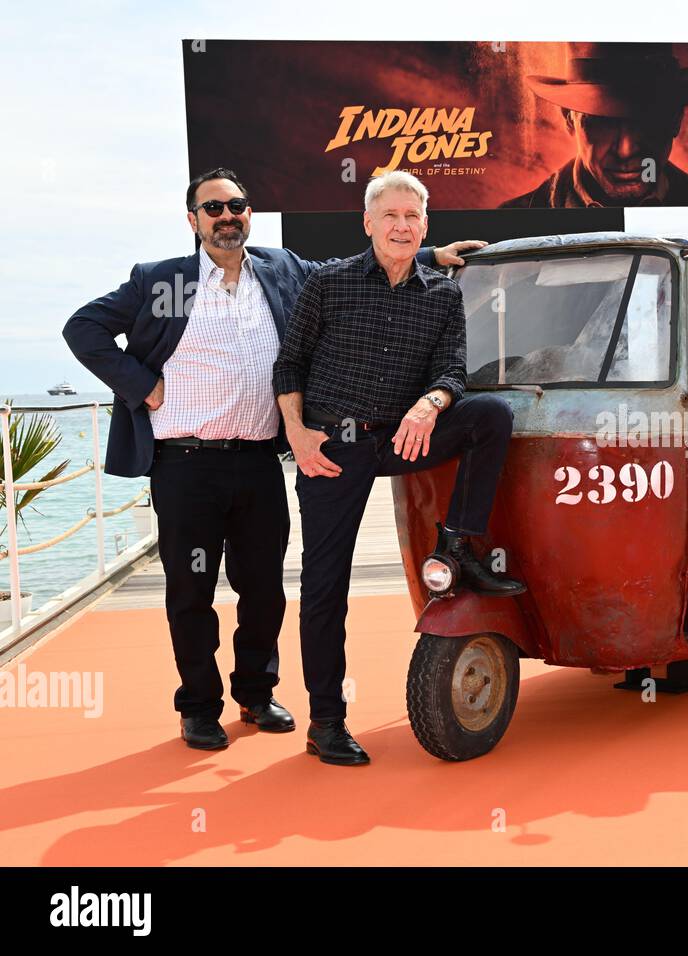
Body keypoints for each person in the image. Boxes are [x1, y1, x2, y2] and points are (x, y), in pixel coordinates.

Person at [63, 167, 481, 752]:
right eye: (213, 209)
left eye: (237, 204)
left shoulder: (281, 269)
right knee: (193, 590)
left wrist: (429, 253)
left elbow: (360, 267)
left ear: (249, 213)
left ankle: (256, 693)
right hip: (185, 463)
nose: (227, 215)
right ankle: (200, 707)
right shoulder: (163, 282)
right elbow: (82, 327)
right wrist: (139, 384)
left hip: (261, 458)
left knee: (264, 590)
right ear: (193, 221)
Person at [273, 170, 524, 767]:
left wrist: (430, 402)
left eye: (413, 217)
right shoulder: (329, 283)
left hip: (404, 437)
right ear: (368, 223)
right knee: (324, 585)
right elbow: (289, 364)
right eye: (391, 216)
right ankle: (326, 722)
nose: (402, 226)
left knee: (489, 414)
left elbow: (453, 371)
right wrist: (297, 435)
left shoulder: (441, 293)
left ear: (426, 225)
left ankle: (458, 543)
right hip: (331, 448)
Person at [499, 42, 688, 208]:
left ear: (676, 120)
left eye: (647, 122)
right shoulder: (508, 219)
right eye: (602, 123)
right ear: (569, 119)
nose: (625, 150)